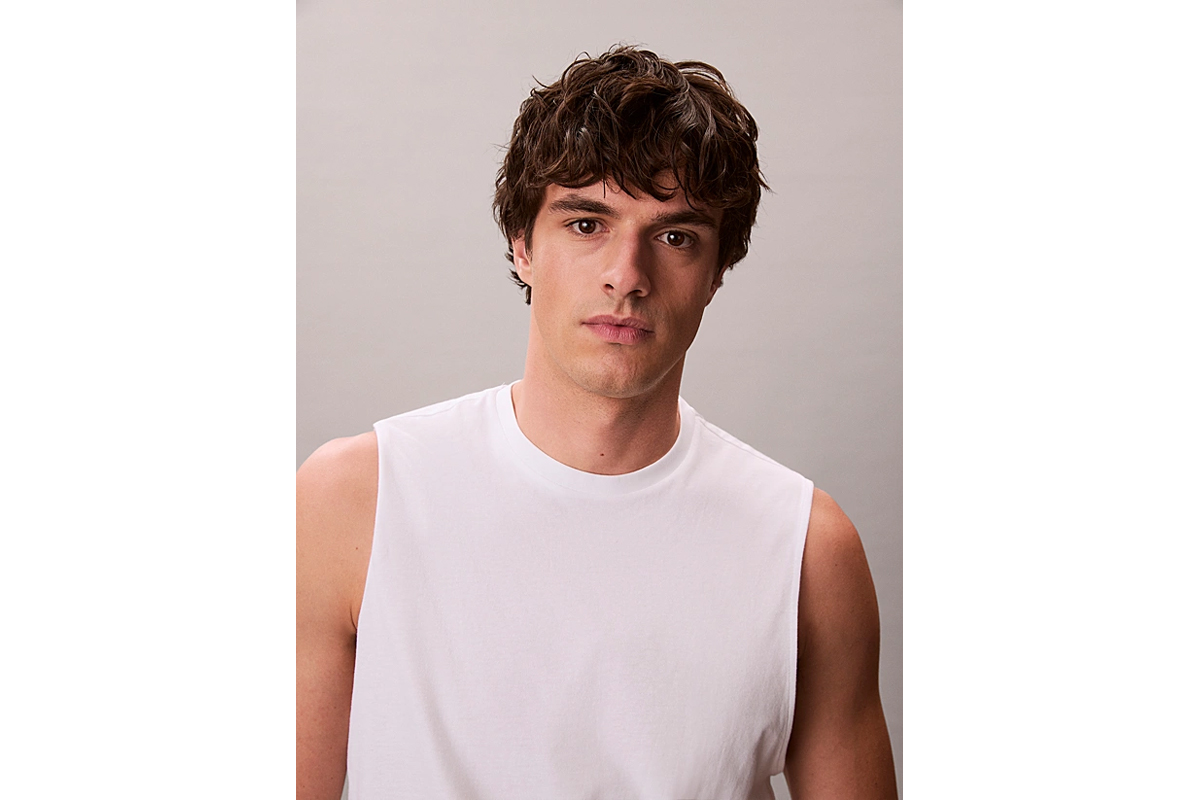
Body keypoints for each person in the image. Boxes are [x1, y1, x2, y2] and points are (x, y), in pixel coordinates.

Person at [297, 45, 897, 800]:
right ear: (522, 245)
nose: (627, 275)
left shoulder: (808, 549)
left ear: (717, 272)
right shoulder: (353, 502)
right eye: (587, 224)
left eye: (675, 237)